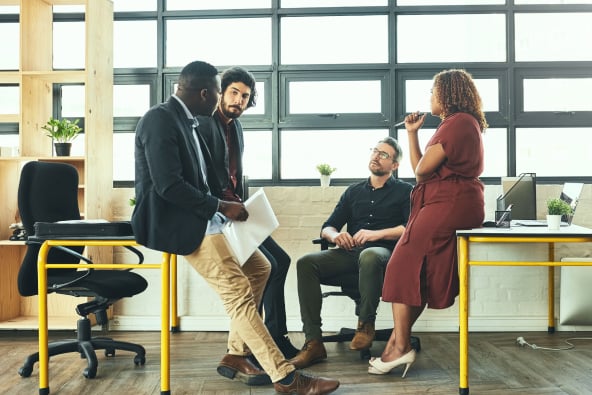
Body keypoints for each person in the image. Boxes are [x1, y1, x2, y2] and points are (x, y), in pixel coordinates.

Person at [131, 60, 339, 395]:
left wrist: (224, 209)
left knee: (261, 268)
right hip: (184, 224)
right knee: (239, 296)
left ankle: (235, 354)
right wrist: (220, 206)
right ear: (205, 92)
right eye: (218, 91)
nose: (221, 99)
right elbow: (169, 186)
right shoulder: (160, 119)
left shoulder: (187, 122)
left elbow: (202, 180)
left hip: (206, 219)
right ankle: (287, 378)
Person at [369, 69, 487, 377]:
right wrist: (412, 133)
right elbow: (423, 169)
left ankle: (400, 347)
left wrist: (414, 136)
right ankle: (398, 343)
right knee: (418, 273)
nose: (430, 98)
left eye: (433, 92)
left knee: (399, 267)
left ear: (448, 94)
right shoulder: (460, 124)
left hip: (448, 203)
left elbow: (420, 172)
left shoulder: (457, 123)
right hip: (452, 202)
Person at [197, 66, 298, 358]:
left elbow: (234, 173)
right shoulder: (205, 123)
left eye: (245, 96)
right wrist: (223, 206)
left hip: (238, 209)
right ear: (221, 91)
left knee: (280, 260)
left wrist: (244, 202)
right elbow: (204, 176)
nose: (239, 100)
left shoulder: (236, 126)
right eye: (234, 92)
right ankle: (263, 340)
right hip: (218, 216)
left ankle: (276, 334)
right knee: (267, 267)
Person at [289, 137, 413, 369]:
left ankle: (366, 324)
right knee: (306, 263)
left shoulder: (406, 191)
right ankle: (313, 341)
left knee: (370, 255)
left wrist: (376, 235)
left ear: (395, 165)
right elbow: (328, 226)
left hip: (385, 257)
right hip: (350, 254)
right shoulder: (353, 191)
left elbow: (410, 228)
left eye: (384, 154)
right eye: (375, 151)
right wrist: (336, 236)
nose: (376, 156)